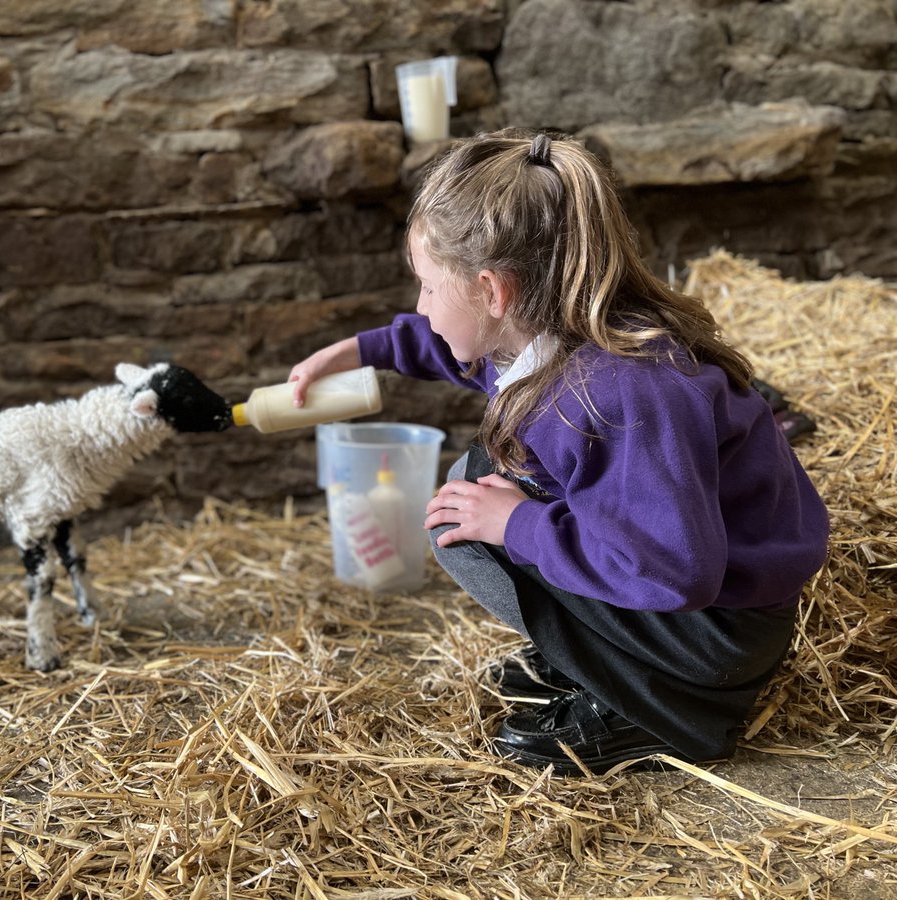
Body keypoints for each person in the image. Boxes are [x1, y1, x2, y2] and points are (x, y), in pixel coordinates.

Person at [288, 129, 829, 774]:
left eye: (429, 286)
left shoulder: (619, 395)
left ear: (493, 291)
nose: (420, 304)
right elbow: (452, 346)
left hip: (716, 630)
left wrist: (515, 523)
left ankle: (658, 707)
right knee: (486, 476)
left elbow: (675, 571)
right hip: (700, 607)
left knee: (468, 525)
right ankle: (601, 651)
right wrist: (361, 351)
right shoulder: (549, 334)